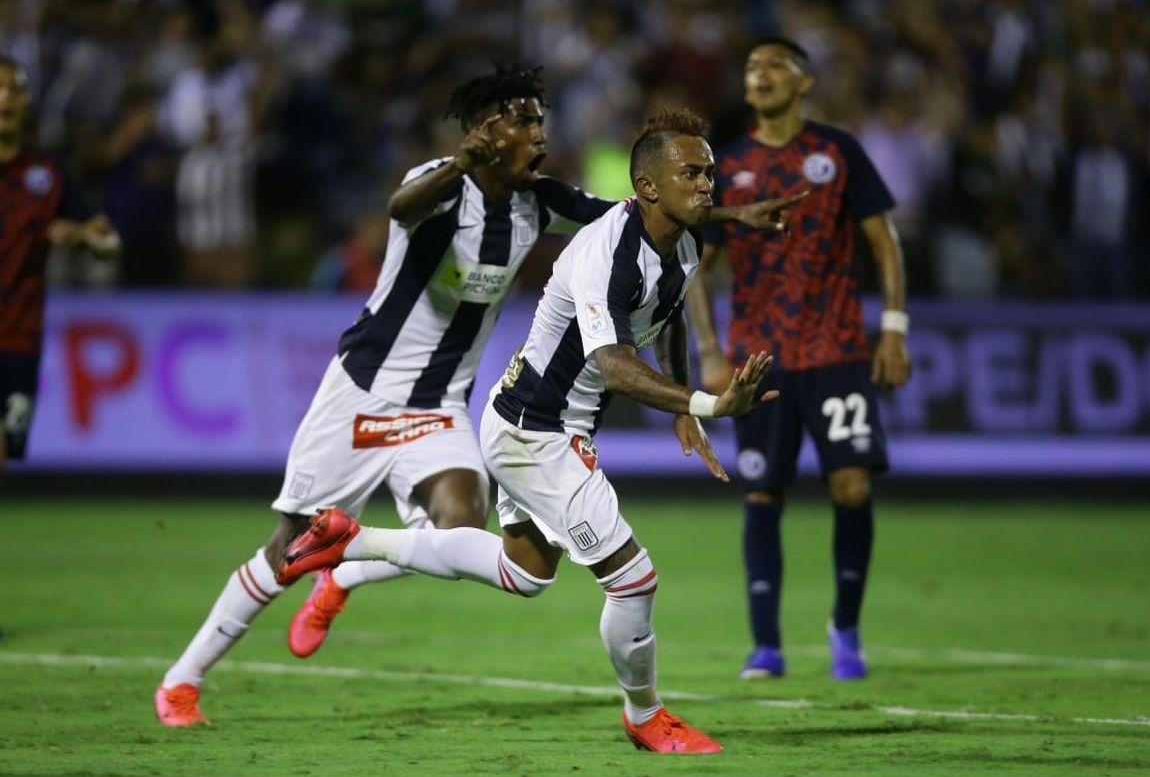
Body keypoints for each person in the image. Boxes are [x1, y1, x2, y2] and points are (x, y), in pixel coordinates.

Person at [155, 64, 797, 727]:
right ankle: (182, 681)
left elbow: (636, 216)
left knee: (460, 523)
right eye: (523, 122)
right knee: (286, 547)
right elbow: (400, 210)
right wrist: (461, 162)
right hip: (363, 392)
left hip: (440, 404)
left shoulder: (536, 201)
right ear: (486, 131)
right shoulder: (438, 185)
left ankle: (344, 571)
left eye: (541, 122)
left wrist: (731, 216)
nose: (540, 136)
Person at [685, 38, 911, 681]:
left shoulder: (837, 152)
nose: (758, 75)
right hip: (759, 359)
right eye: (751, 67)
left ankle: (846, 629)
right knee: (762, 491)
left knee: (852, 485)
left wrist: (893, 330)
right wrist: (709, 351)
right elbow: (697, 268)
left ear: (804, 81)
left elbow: (884, 241)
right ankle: (766, 645)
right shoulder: (726, 164)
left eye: (773, 66)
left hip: (836, 349)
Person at [0, 56, 120, 474]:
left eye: (14, 89)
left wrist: (83, 236)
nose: (5, 98)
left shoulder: (46, 174)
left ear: (26, 101)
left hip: (19, 339)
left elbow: (109, 242)